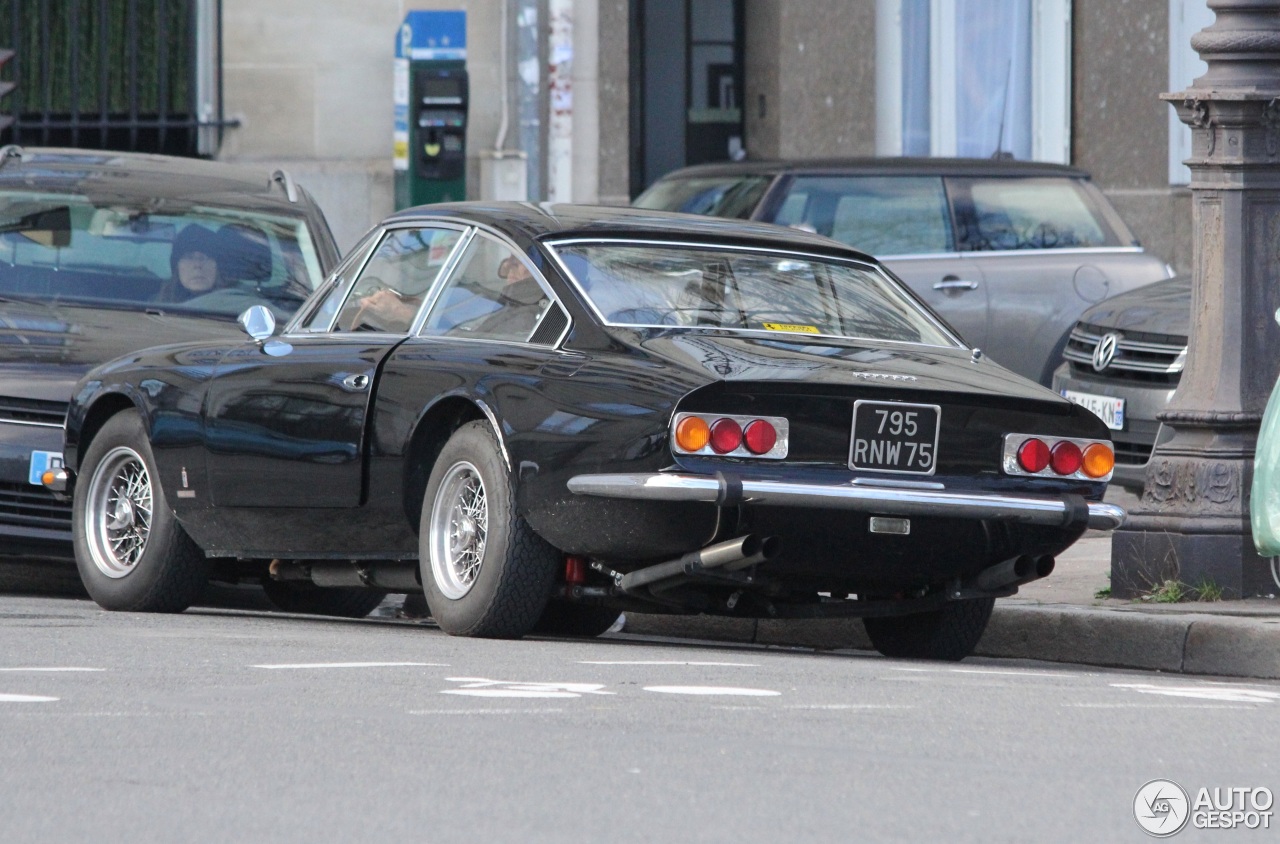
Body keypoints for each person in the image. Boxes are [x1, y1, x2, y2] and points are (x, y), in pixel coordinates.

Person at [156, 225, 223, 303]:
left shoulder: (236, 304)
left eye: (205, 257)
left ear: (217, 267)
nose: (197, 265)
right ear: (177, 266)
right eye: (189, 257)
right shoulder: (155, 307)